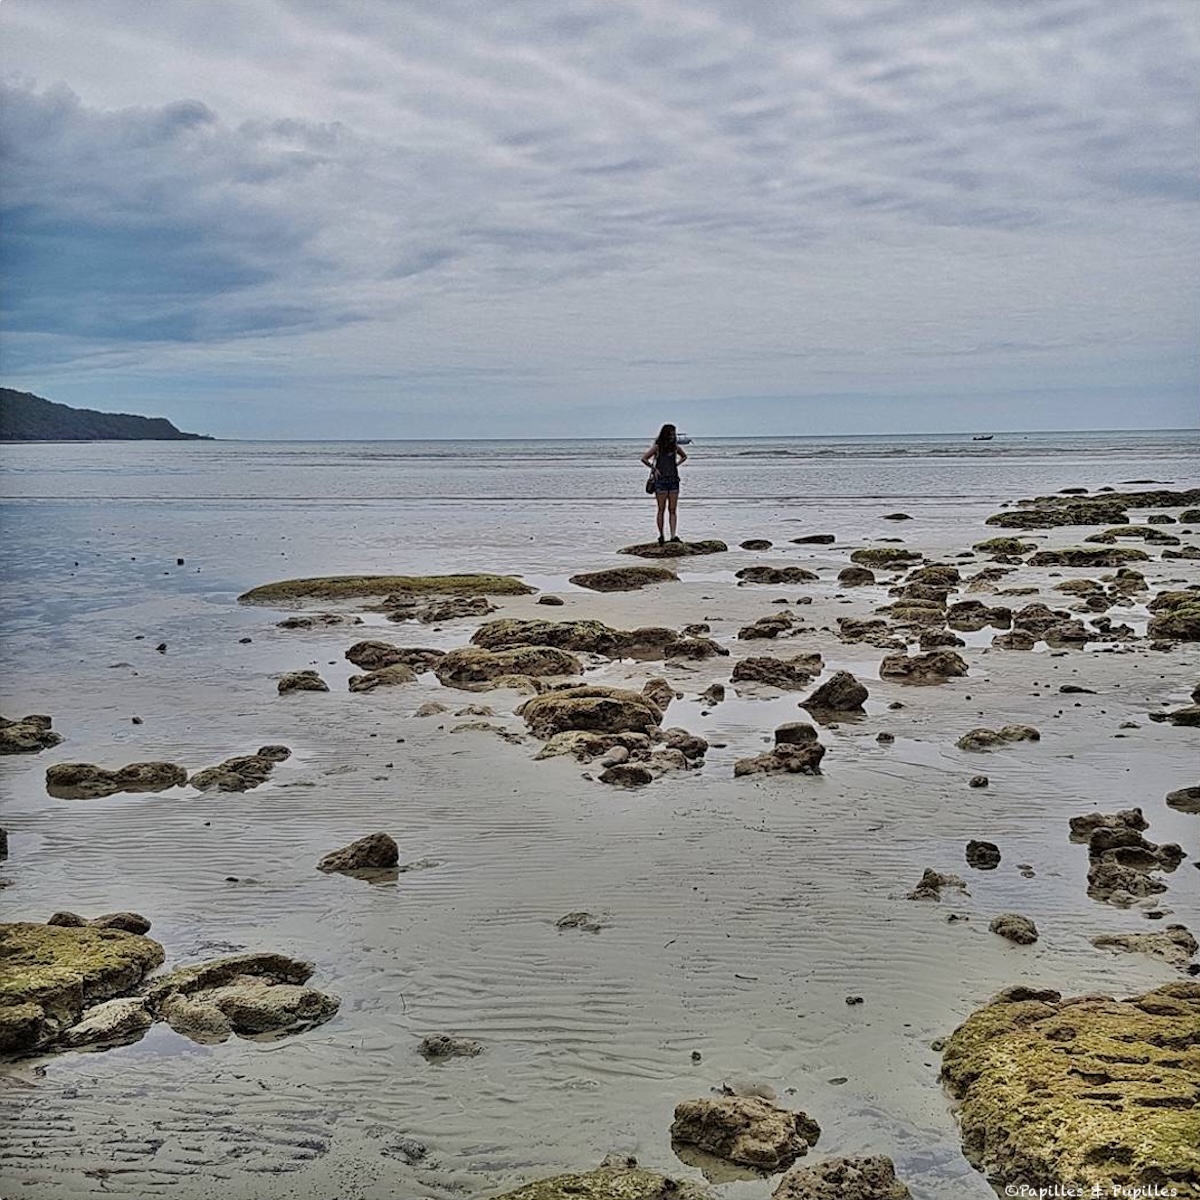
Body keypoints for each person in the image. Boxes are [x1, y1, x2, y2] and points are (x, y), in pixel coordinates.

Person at [641, 423, 687, 544]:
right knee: (661, 509)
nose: (673, 435)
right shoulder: (657, 447)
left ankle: (673, 536)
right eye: (671, 433)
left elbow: (684, 456)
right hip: (661, 481)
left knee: (672, 509)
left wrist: (676, 464)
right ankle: (661, 535)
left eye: (674, 433)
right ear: (666, 434)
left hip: (673, 479)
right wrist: (654, 469)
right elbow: (644, 458)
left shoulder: (674, 447)